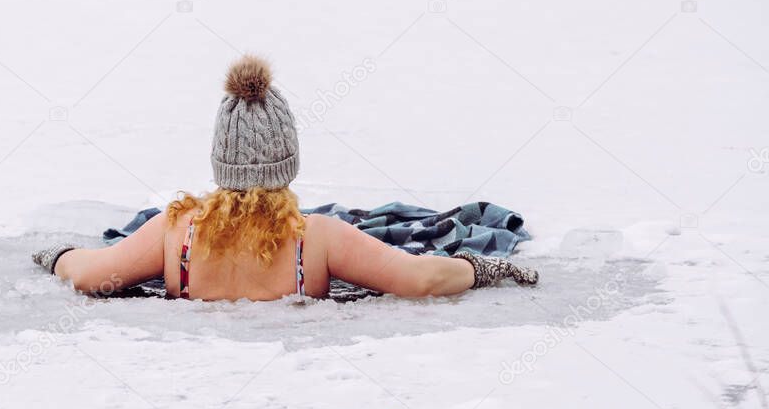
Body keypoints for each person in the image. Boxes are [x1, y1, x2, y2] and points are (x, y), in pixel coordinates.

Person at [32, 56, 538, 301]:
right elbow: (422, 278)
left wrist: (56, 255)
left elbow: (90, 274)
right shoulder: (313, 237)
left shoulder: (176, 230)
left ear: (220, 159)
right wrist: (485, 268)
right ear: (287, 160)